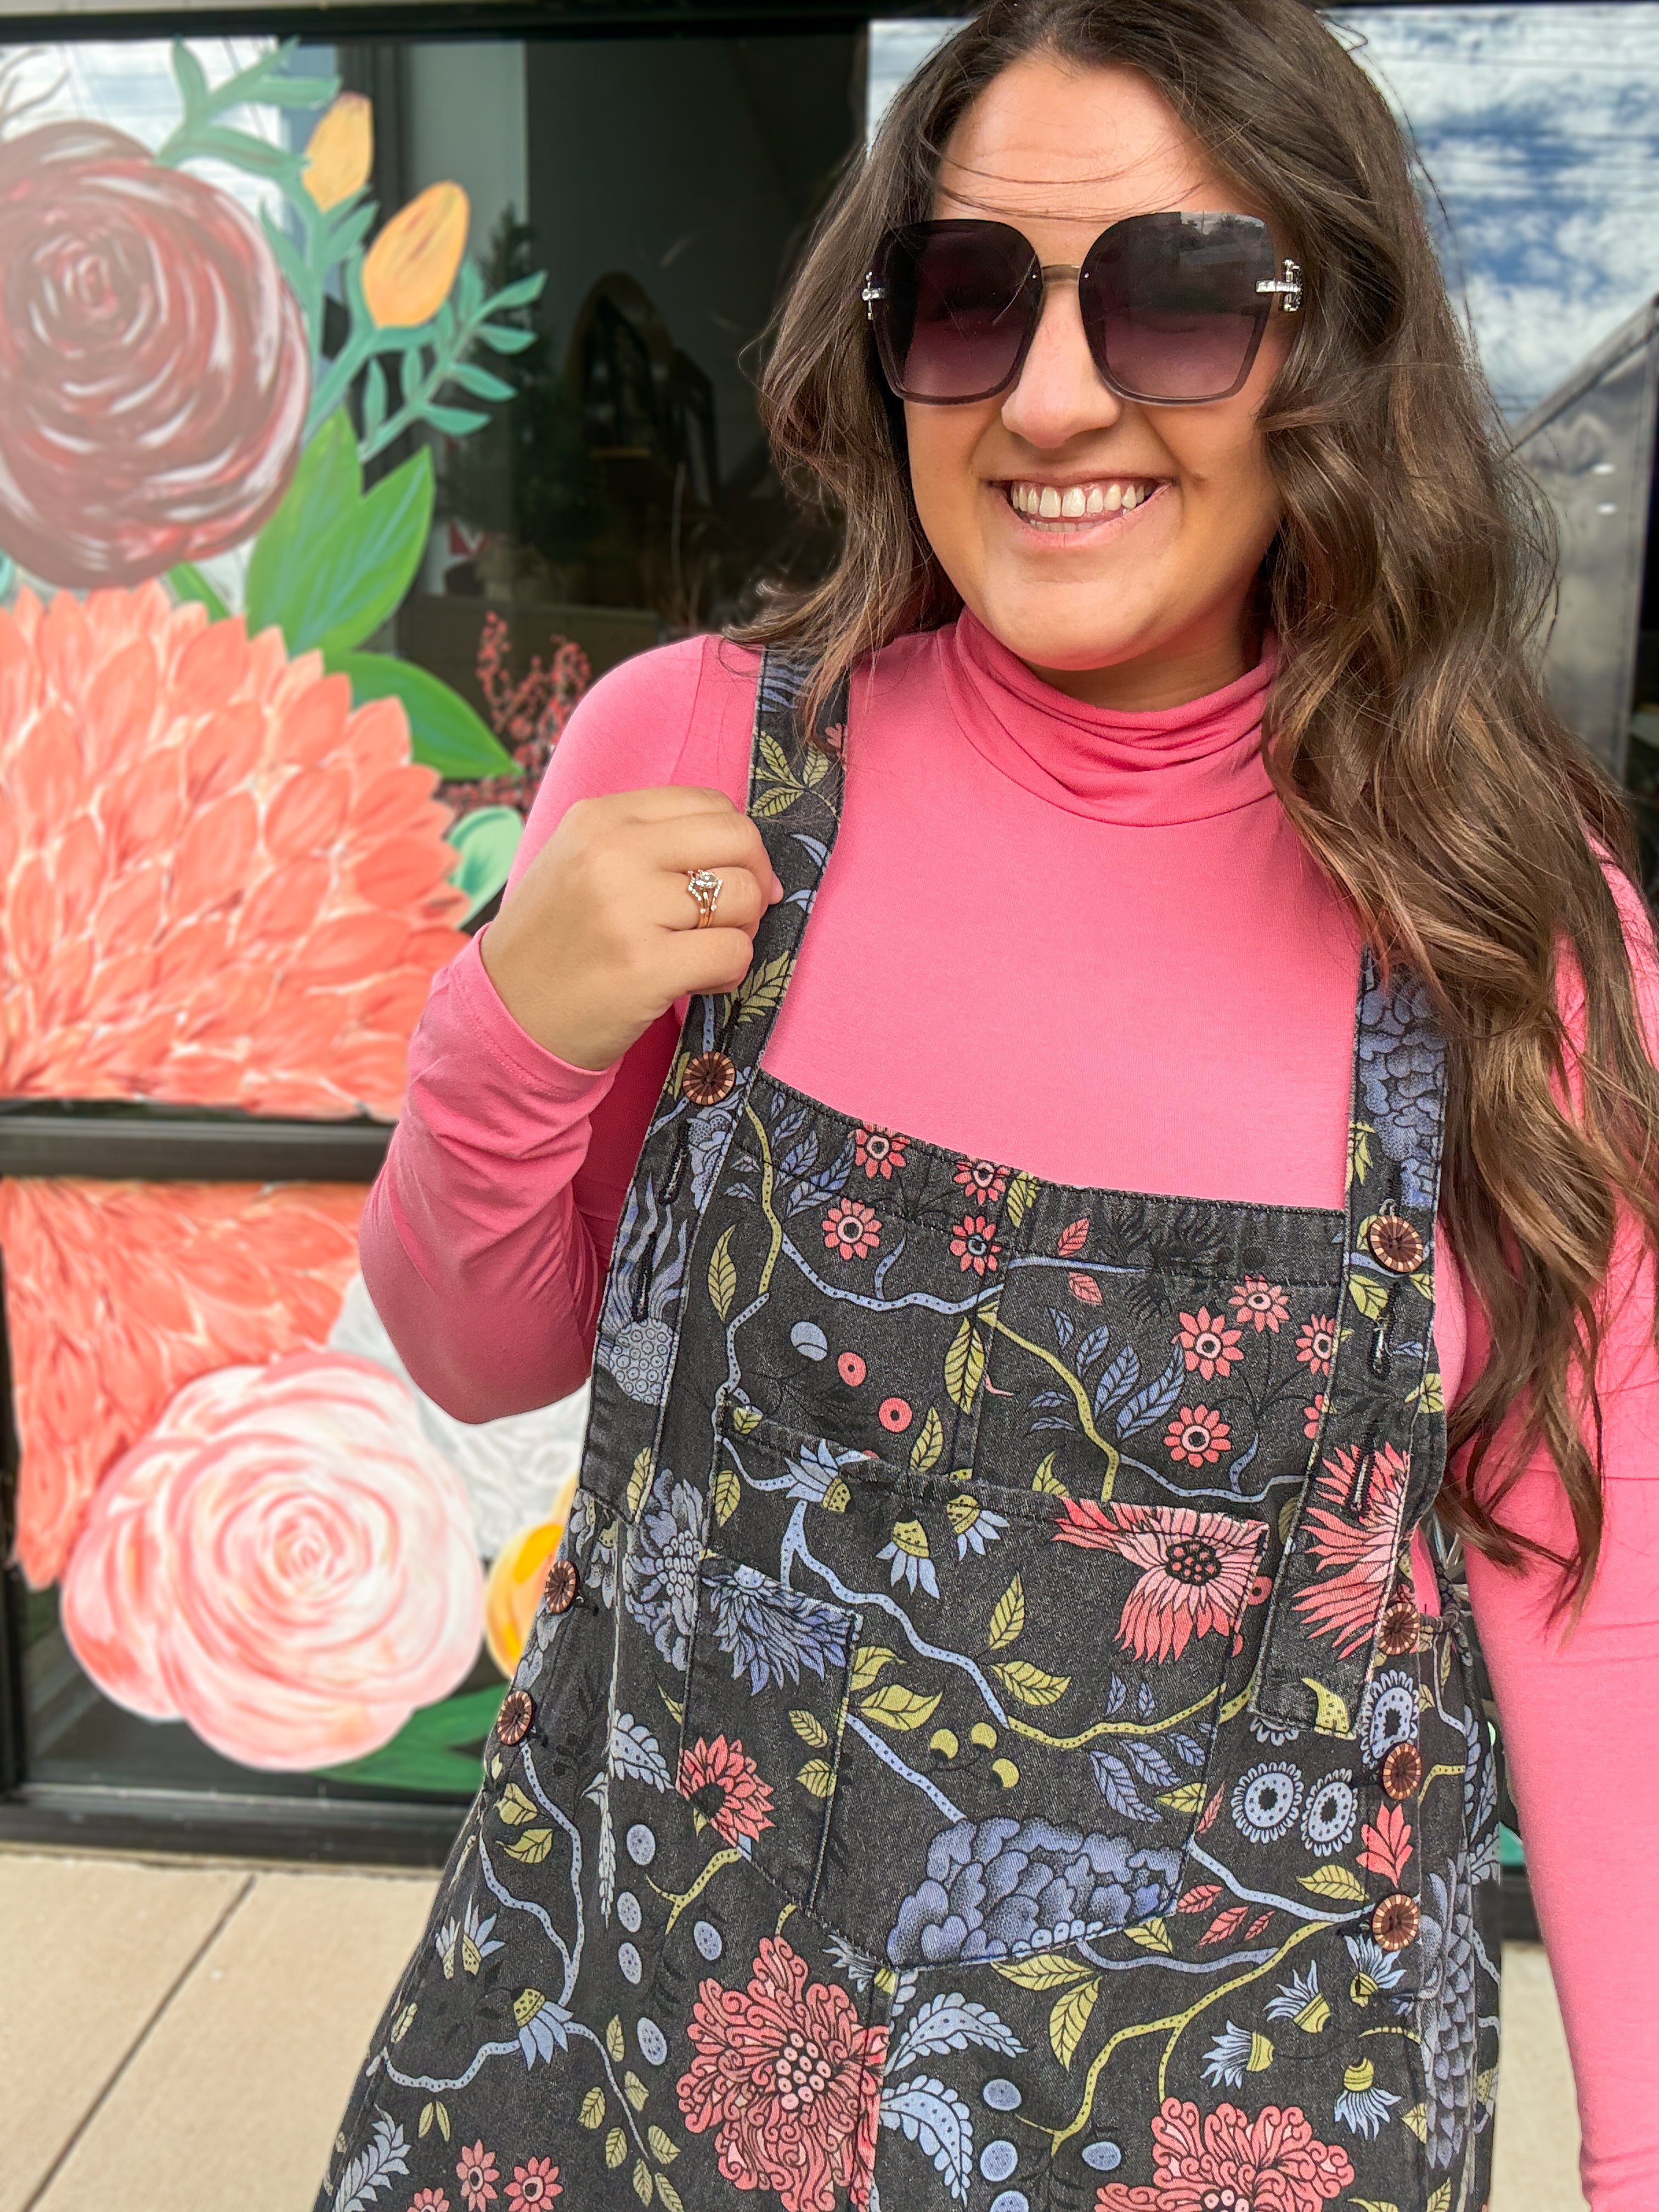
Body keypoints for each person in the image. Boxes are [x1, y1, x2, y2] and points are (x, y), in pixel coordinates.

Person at [317, 4, 1659, 2207]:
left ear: (1328, 351)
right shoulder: (705, 768)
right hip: (632, 2076)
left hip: (1240, 2139)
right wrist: (507, 1027)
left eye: (1177, 296)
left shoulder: (1502, 923)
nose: (1048, 400)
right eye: (966, 298)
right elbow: (478, 1351)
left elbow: (1607, 1592)